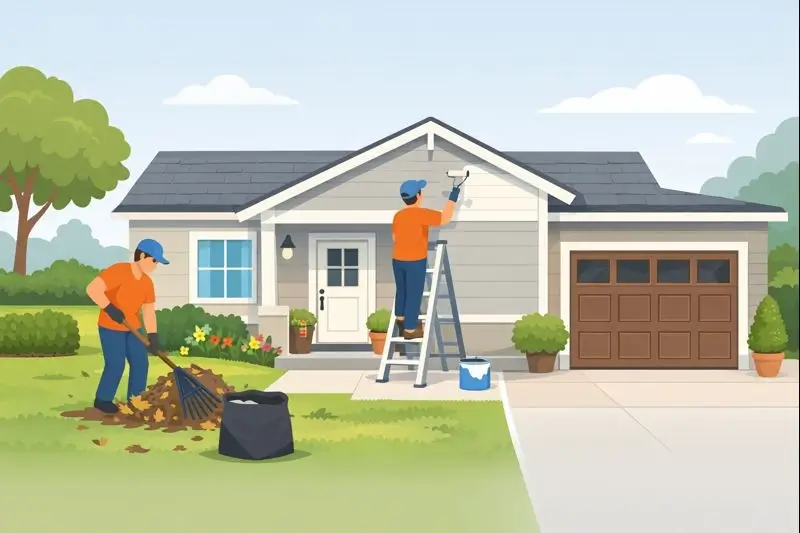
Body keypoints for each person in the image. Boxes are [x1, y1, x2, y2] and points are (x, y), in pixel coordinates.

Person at [85, 239, 169, 413]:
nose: (155, 266)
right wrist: (109, 308)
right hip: (110, 326)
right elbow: (92, 289)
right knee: (116, 364)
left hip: (133, 327)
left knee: (140, 363)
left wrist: (153, 336)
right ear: (142, 255)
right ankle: (103, 399)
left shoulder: (147, 283)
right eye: (154, 261)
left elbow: (148, 311)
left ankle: (136, 400)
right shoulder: (119, 271)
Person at [391, 179, 459, 339]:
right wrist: (453, 196)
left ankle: (400, 319)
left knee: (402, 290)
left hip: (397, 259)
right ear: (419, 196)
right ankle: (410, 330)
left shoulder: (398, 216)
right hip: (415, 260)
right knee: (414, 293)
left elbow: (394, 237)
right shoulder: (422, 214)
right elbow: (445, 218)